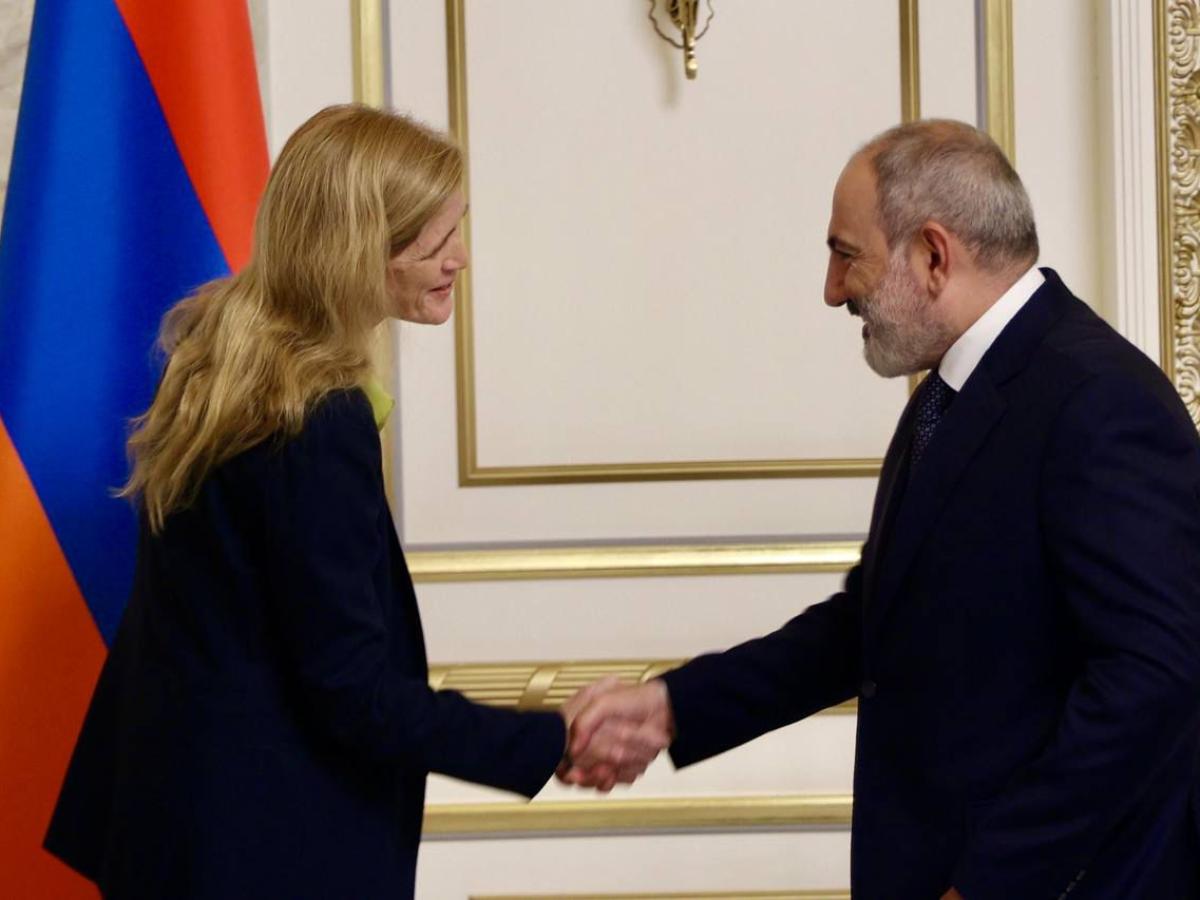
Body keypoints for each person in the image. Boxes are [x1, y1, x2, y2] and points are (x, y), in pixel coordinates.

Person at [562, 120, 1200, 899]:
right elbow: (869, 626)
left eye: (846, 253)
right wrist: (670, 709)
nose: (833, 289)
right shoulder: (948, 398)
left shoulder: (1097, 399)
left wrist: (993, 884)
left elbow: (1153, 679)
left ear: (933, 255)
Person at [44, 104, 663, 900]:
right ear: (357, 249)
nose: (461, 258)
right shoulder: (316, 417)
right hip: (265, 850)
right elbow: (351, 693)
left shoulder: (220, 359)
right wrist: (546, 739)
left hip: (177, 827)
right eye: (436, 241)